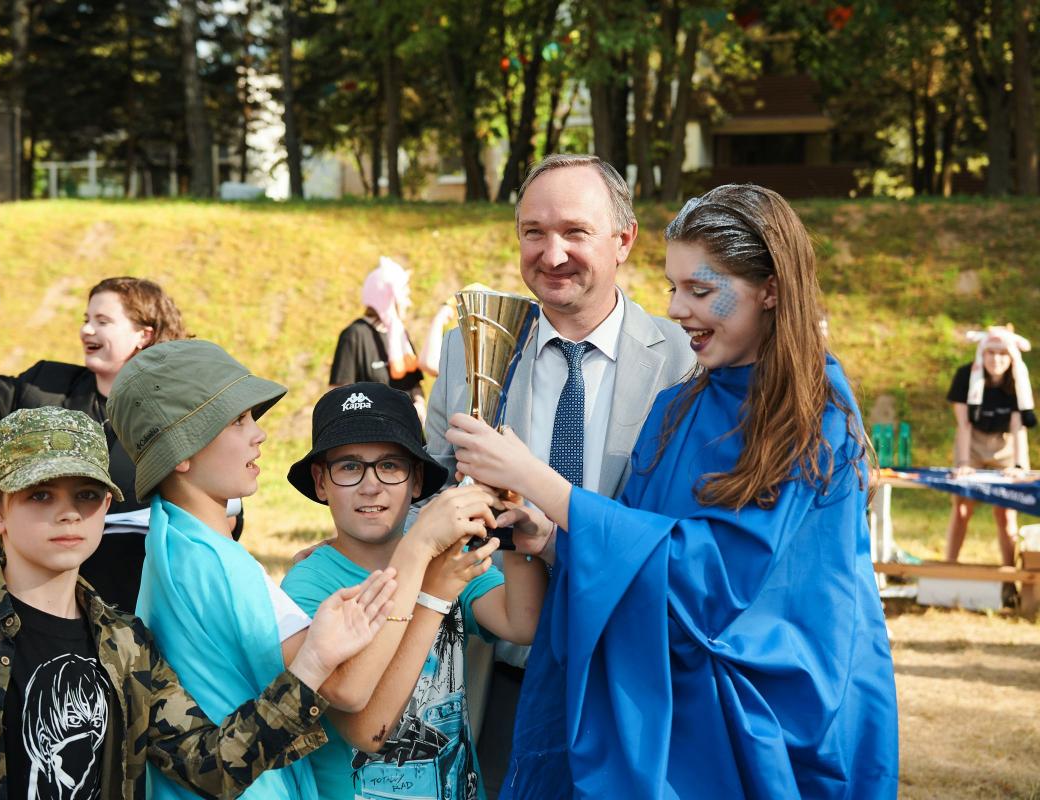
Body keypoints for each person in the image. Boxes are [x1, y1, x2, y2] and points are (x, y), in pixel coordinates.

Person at [446, 184, 898, 798]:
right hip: (667, 708)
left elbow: (715, 577)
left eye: (702, 290)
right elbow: (636, 554)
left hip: (766, 718)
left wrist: (539, 481)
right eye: (673, 287)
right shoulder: (676, 407)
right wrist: (548, 539)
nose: (680, 309)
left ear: (770, 289)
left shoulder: (812, 413)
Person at [0, 405, 396, 799]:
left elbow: (210, 766)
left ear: (108, 507)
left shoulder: (125, 644)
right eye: (40, 495)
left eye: (86, 496)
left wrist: (313, 665)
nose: (68, 514)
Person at [419, 153, 695, 794]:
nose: (552, 253)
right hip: (501, 673)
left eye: (575, 231)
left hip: (633, 678)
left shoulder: (684, 361)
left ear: (624, 240)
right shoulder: (470, 352)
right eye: (533, 232)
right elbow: (425, 487)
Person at [108, 342, 475, 800]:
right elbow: (347, 689)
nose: (258, 435)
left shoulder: (174, 542)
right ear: (183, 451)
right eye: (238, 420)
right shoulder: (222, 566)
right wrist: (417, 551)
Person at [281, 382, 546, 800]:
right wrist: (427, 579)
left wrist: (516, 536)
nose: (371, 486)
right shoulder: (308, 585)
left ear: (417, 479)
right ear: (320, 482)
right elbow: (368, 731)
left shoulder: (444, 556)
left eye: (390, 465)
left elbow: (523, 621)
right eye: (349, 467)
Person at [0, 276, 190, 612]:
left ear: (144, 334)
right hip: (26, 603)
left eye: (103, 321)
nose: (87, 330)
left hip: (132, 607)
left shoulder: (178, 412)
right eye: (86, 320)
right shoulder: (47, 386)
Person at [944, 325, 1035, 606]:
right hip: (972, 444)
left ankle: (1009, 584)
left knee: (1005, 513)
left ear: (1011, 357)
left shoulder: (1017, 380)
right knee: (961, 508)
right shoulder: (965, 376)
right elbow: (963, 424)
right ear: (982, 354)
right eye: (991, 353)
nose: (996, 359)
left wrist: (1019, 466)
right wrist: (962, 463)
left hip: (1004, 445)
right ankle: (948, 571)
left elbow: (1019, 427)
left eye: (1002, 354)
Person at [330, 257, 426, 420]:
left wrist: (419, 404)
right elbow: (338, 397)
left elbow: (414, 384)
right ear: (386, 298)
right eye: (404, 296)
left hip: (409, 435)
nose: (408, 303)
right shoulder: (354, 335)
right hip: (375, 437)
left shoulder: (400, 334)